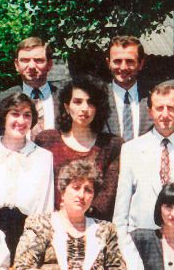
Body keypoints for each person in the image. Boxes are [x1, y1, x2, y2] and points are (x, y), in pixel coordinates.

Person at [113, 82, 174, 235]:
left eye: (171, 108)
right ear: (150, 112)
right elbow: (122, 205)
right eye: (159, 108)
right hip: (140, 240)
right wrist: (120, 243)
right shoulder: (131, 150)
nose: (165, 115)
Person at [35, 75, 123, 221]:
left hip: (93, 226)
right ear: (66, 107)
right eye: (77, 102)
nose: (84, 108)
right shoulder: (47, 141)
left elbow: (107, 197)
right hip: (51, 224)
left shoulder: (111, 145)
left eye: (91, 103)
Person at [0, 93, 54, 254]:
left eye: (27, 115)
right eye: (15, 114)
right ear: (4, 116)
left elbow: (45, 206)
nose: (21, 121)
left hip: (25, 233)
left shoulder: (43, 157)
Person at [0, 37, 62, 138]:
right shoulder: (0, 100)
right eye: (25, 60)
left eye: (38, 60)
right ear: (17, 65)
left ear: (49, 64)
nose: (32, 66)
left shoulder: (65, 98)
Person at [104, 36, 152, 140]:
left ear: (140, 64)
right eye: (117, 61)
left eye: (129, 61)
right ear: (108, 63)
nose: (123, 67)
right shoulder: (98, 99)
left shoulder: (152, 98)